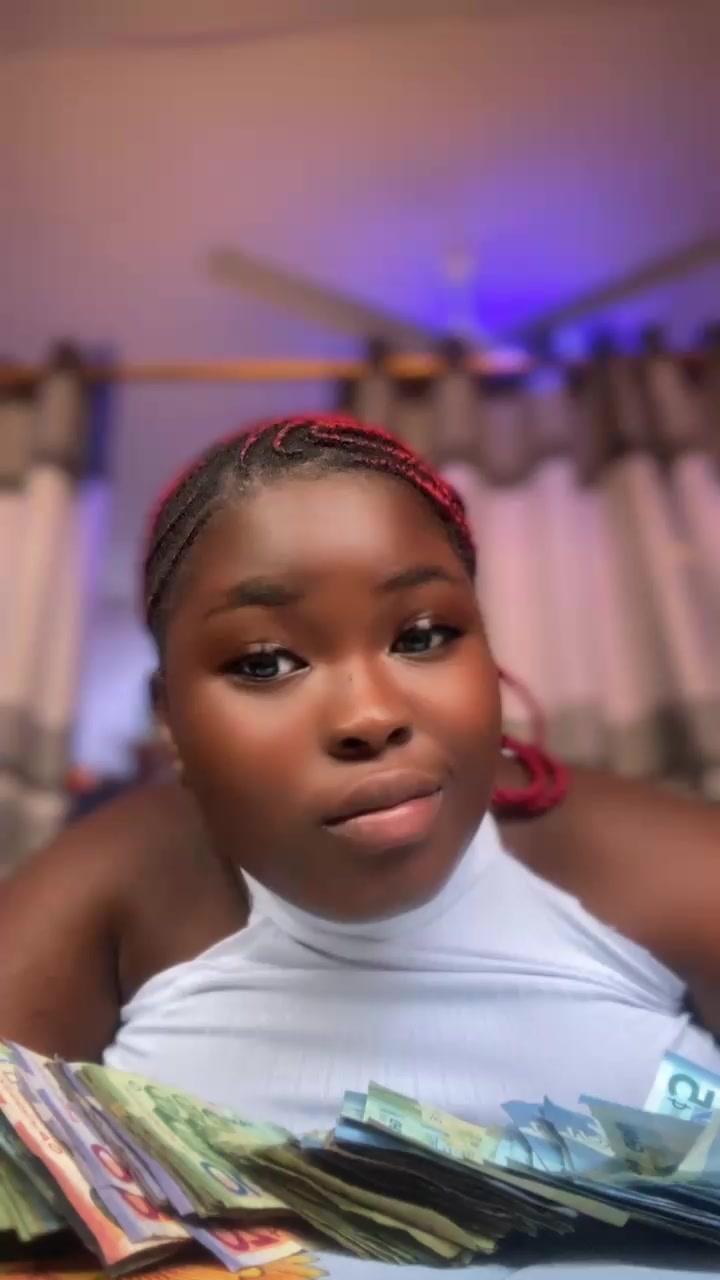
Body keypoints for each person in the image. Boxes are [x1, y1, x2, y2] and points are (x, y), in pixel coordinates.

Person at [1, 414, 719, 1143]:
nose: (370, 716)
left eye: (422, 636)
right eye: (265, 663)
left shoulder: (676, 869)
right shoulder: (108, 888)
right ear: (171, 720)